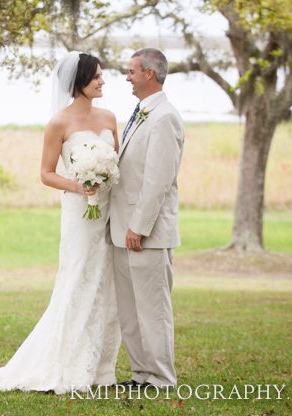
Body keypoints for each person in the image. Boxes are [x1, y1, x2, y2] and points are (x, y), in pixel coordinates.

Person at [0, 52, 121, 394]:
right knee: (77, 280)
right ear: (78, 83)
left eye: (103, 76)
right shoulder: (59, 123)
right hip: (78, 213)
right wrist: (78, 184)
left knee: (106, 283)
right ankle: (65, 365)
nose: (103, 81)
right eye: (96, 77)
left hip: (108, 212)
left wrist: (106, 177)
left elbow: (117, 162)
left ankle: (101, 368)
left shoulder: (110, 117)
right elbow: (45, 174)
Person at [108, 48, 185, 389]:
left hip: (147, 234)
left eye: (131, 71)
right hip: (122, 230)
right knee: (130, 311)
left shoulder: (165, 117)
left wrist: (138, 227)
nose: (127, 77)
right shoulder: (142, 112)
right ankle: (141, 373)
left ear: (149, 74)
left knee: (153, 310)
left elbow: (158, 180)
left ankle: (162, 378)